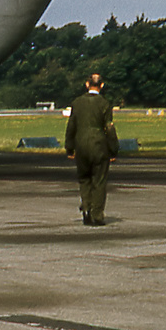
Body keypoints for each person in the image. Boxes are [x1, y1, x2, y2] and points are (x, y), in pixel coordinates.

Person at [64, 74, 117, 226]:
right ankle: (97, 214)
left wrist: (69, 148)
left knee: (84, 178)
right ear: (102, 85)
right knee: (99, 180)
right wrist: (114, 149)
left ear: (87, 84)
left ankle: (86, 208)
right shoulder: (104, 103)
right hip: (99, 145)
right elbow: (109, 128)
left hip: (81, 144)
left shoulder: (77, 102)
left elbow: (71, 127)